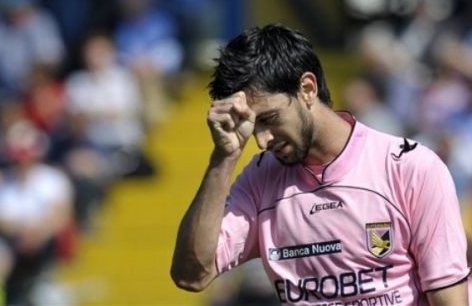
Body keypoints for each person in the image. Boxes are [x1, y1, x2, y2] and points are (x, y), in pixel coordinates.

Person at [171, 24, 469, 305]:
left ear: (308, 88)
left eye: (269, 119)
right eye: (252, 126)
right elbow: (192, 275)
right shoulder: (259, 180)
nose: (262, 140)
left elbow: (448, 298)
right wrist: (223, 159)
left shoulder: (410, 168)